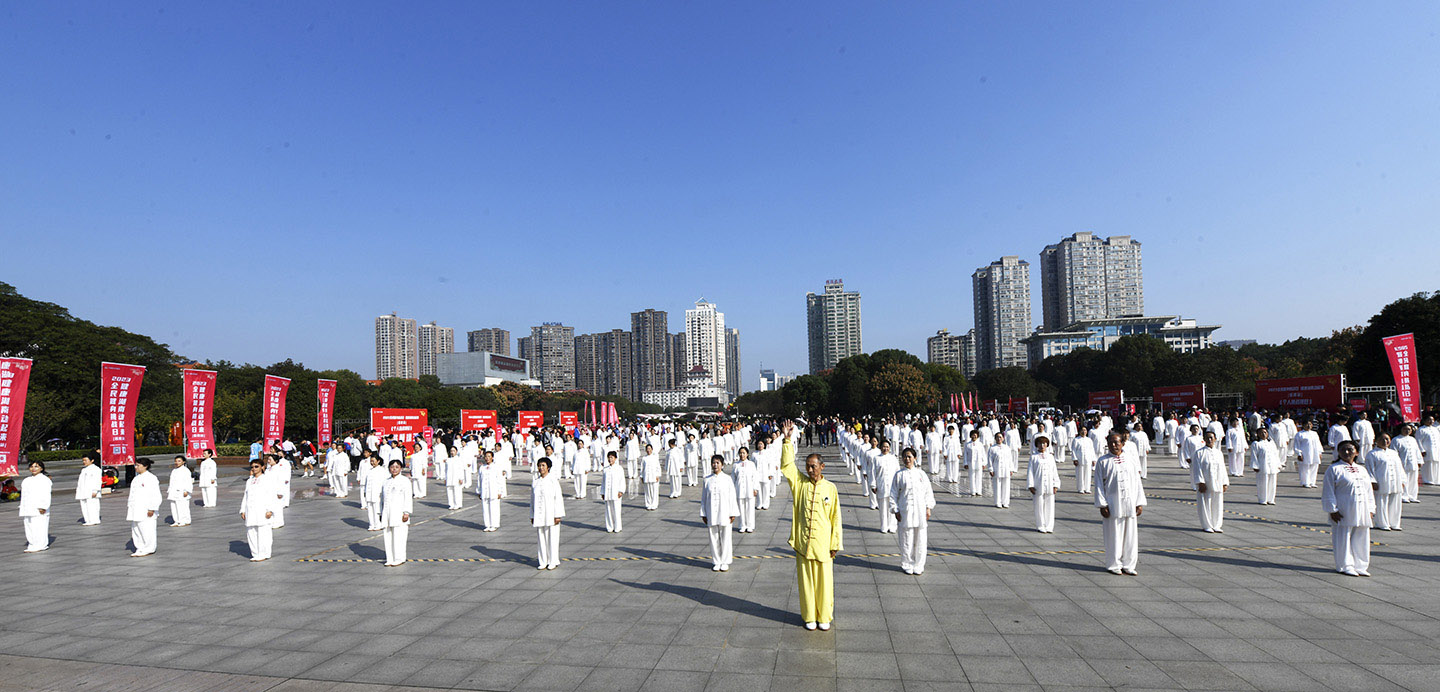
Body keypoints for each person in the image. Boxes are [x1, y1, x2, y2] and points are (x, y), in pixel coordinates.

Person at [778, 421, 843, 631]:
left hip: (824, 544)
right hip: (804, 543)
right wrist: (787, 440)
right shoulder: (800, 484)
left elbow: (836, 518)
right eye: (807, 466)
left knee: (824, 583)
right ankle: (809, 617)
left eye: (813, 466)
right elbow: (787, 467)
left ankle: (824, 616)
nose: (810, 469)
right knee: (806, 583)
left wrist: (835, 544)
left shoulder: (831, 488)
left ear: (822, 467)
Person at [1094, 433, 1145, 575]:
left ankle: (1129, 564)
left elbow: (1137, 481)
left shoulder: (1130, 459)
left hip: (1130, 502)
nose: (1114, 445)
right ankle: (1114, 564)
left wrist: (1139, 502)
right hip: (1112, 504)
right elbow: (1098, 484)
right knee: (1113, 535)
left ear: (1122, 443)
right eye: (1111, 442)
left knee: (1130, 536)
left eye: (1116, 442)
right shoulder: (1103, 461)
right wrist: (1102, 505)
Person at [1322, 440, 1375, 576]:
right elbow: (1328, 490)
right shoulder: (1334, 469)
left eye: (1350, 450)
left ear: (1356, 452)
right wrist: (1332, 509)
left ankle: (1361, 565)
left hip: (1362, 507)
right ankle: (1345, 565)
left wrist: (1371, 509)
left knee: (1361, 536)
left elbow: (1369, 491)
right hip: (1344, 508)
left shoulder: (1362, 470)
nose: (1347, 452)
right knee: (1343, 537)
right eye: (1343, 450)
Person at [890, 448, 935, 574]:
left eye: (909, 456)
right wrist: (895, 510)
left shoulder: (921, 474)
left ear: (915, 458)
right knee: (906, 538)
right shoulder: (899, 475)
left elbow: (928, 492)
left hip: (920, 511)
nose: (907, 459)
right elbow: (893, 494)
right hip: (905, 511)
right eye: (905, 457)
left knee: (920, 539)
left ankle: (919, 564)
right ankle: (907, 563)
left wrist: (928, 508)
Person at [701, 455, 738, 571]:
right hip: (711, 512)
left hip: (725, 512)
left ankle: (725, 561)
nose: (715, 465)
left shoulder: (727, 479)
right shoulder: (707, 480)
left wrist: (733, 513)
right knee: (713, 537)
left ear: (722, 464)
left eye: (717, 463)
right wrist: (704, 513)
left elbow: (732, 496)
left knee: (726, 537)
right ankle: (716, 561)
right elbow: (704, 498)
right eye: (713, 463)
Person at [1365, 433, 1405, 531]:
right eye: (1382, 439)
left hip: (1395, 481)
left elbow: (1400, 467)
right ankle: (1382, 523)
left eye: (1387, 439)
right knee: (1381, 501)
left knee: (1395, 501)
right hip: (1382, 480)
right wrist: (1372, 481)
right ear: (1376, 440)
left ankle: (1394, 523)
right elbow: (1370, 469)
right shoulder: (1372, 454)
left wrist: (1403, 480)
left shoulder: (1393, 453)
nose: (1385, 441)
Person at [530, 458, 565, 570]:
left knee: (552, 537)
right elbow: (532, 500)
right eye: (539, 465)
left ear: (548, 467)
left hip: (551, 513)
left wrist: (558, 514)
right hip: (539, 514)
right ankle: (543, 560)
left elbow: (558, 498)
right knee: (541, 537)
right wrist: (532, 515)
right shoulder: (535, 481)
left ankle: (553, 560)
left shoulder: (553, 480)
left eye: (543, 465)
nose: (541, 468)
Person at [239, 460, 276, 561]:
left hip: (263, 510)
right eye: (252, 467)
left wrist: (270, 510)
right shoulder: (249, 481)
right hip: (250, 510)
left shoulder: (267, 479)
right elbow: (245, 496)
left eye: (256, 466)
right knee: (251, 533)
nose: (254, 469)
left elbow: (272, 495)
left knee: (264, 533)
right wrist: (243, 510)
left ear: (262, 467)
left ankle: (264, 553)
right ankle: (255, 554)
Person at [1191, 431, 1227, 533]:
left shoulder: (1219, 453)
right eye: (1207, 438)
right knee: (1205, 502)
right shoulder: (1199, 453)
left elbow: (1223, 468)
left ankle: (1216, 524)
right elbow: (1197, 469)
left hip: (1218, 481)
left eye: (1211, 438)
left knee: (1217, 503)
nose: (1210, 440)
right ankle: (1206, 525)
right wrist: (1200, 482)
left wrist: (1225, 482)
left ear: (1215, 439)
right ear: (1204, 439)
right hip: (1206, 482)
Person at [380, 459, 414, 566]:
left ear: (401, 468)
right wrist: (381, 513)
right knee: (388, 535)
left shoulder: (404, 481)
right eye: (392, 467)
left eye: (397, 467)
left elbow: (408, 497)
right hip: (387, 512)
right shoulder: (386, 481)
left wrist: (406, 512)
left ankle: (399, 558)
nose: (394, 469)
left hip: (399, 512)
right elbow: (382, 499)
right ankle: (390, 558)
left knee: (399, 536)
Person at [127, 458, 162, 557]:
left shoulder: (151, 478)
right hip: (135, 508)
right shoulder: (136, 478)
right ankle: (140, 547)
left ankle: (149, 548)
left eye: (138, 465)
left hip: (146, 509)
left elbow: (156, 494)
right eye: (136, 465)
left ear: (145, 466)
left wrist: (152, 508)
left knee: (147, 529)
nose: (136, 467)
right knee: (136, 529)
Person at [1027, 437, 1061, 533]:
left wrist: (1056, 484)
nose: (1042, 446)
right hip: (1038, 484)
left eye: (1044, 443)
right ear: (1037, 445)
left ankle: (1049, 525)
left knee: (1050, 505)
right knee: (1039, 505)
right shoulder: (1034, 457)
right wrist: (1030, 485)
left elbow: (1054, 471)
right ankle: (1040, 525)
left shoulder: (1050, 457)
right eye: (1040, 444)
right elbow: (1030, 471)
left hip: (1049, 484)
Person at [19, 461, 52, 553]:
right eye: (32, 466)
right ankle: (32, 544)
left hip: (39, 508)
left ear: (41, 468)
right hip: (28, 507)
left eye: (36, 466)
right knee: (29, 527)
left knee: (39, 526)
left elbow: (46, 494)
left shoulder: (44, 480)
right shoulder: (26, 480)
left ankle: (41, 544)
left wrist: (43, 506)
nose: (33, 468)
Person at [1249, 427, 1283, 505]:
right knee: (1262, 483)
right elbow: (1254, 455)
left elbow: (1275, 454)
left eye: (1265, 432)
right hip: (1262, 466)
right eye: (1261, 433)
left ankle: (1271, 499)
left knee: (1272, 482)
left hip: (1272, 465)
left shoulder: (1271, 443)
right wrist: (1255, 466)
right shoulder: (1256, 444)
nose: (1263, 434)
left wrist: (1278, 464)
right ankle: (1262, 499)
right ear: (1258, 434)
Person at [872, 441, 900, 532]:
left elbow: (898, 472)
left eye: (887, 447)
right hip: (881, 485)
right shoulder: (876, 458)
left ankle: (892, 526)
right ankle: (884, 526)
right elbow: (872, 472)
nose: (885, 448)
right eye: (884, 447)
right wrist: (873, 484)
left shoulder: (893, 458)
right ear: (880, 447)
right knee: (883, 507)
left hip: (893, 487)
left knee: (892, 506)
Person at [1392, 424, 1423, 504]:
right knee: (1404, 480)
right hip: (1403, 463)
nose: (1407, 431)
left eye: (1409, 429)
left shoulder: (1413, 439)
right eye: (1405, 429)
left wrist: (1419, 461)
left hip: (1413, 463)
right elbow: (1394, 453)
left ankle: (1412, 496)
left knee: (1413, 480)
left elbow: (1417, 451)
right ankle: (1404, 496)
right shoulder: (1396, 440)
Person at [477, 452, 506, 531]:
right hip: (484, 490)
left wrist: (500, 491)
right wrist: (479, 491)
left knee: (494, 508)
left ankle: (494, 524)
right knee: (485, 508)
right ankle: (488, 525)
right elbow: (479, 480)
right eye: (486, 456)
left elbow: (499, 479)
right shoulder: (482, 467)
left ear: (492, 457)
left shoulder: (496, 467)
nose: (487, 458)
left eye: (489, 456)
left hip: (493, 490)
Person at [733, 447, 760, 533]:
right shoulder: (736, 465)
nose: (742, 455)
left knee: (750, 508)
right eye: (740, 453)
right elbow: (733, 478)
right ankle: (742, 525)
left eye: (744, 453)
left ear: (747, 454)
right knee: (741, 508)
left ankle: (750, 525)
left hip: (749, 489)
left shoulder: (751, 464)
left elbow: (755, 477)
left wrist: (755, 488)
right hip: (739, 489)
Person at [988, 432, 1016, 509]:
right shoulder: (992, 448)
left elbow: (1010, 459)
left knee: (1006, 486)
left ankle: (1005, 502)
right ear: (995, 438)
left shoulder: (1007, 448)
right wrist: (991, 469)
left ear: (1003, 438)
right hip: (996, 469)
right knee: (997, 486)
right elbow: (990, 460)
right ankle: (998, 502)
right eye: (997, 437)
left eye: (1000, 437)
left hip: (1006, 469)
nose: (999, 439)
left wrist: (1011, 469)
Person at [599, 450, 625, 533]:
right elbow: (603, 481)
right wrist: (602, 492)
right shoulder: (605, 469)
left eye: (612, 457)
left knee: (616, 510)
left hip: (616, 492)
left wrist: (621, 491)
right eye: (609, 458)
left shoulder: (619, 468)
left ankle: (617, 527)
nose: (610, 459)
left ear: (615, 458)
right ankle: (609, 527)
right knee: (608, 510)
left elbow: (622, 480)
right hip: (607, 492)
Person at [1294, 421, 1324, 488]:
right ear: (1303, 425)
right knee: (1305, 468)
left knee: (1314, 466)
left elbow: (1318, 443)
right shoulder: (1299, 434)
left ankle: (1312, 482)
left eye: (1310, 424)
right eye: (1307, 424)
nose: (1308, 426)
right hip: (1305, 453)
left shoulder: (1314, 433)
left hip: (1315, 453)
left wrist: (1320, 452)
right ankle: (1305, 482)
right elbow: (1297, 445)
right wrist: (1299, 453)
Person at [76, 452, 102, 525]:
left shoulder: (96, 469)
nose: (84, 462)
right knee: (84, 506)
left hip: (92, 491)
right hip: (83, 491)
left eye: (86, 460)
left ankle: (94, 520)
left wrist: (95, 490)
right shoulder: (84, 470)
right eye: (83, 460)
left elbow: (97, 480)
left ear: (92, 460)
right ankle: (88, 520)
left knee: (93, 506)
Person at [166, 456, 193, 527]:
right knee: (174, 506)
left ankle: (184, 520)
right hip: (173, 491)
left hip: (182, 491)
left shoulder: (185, 470)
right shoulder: (174, 471)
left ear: (183, 462)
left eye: (179, 461)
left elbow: (188, 481)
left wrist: (186, 490)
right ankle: (176, 520)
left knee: (182, 506)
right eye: (176, 461)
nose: (177, 463)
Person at [1071, 426, 1097, 494]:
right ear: (1079, 431)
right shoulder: (1076, 440)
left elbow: (1092, 450)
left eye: (1085, 430)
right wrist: (1075, 459)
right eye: (1082, 430)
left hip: (1088, 458)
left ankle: (1087, 488)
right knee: (1080, 474)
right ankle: (1081, 488)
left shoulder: (1089, 440)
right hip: (1079, 459)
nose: (1084, 432)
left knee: (1088, 474)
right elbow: (1073, 450)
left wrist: (1093, 459)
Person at [443, 446, 469, 510]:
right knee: (450, 491)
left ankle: (458, 504)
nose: (452, 452)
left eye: (453, 451)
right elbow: (445, 470)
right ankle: (451, 504)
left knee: (457, 491)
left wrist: (461, 478)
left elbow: (461, 469)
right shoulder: (448, 460)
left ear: (456, 452)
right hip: (449, 478)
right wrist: (445, 478)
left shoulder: (459, 460)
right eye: (451, 451)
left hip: (456, 478)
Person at [640, 443, 662, 510]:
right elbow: (642, 468)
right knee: (647, 492)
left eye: (649, 449)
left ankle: (654, 504)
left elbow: (658, 467)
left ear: (652, 449)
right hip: (646, 476)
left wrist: (658, 475)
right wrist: (641, 476)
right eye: (647, 449)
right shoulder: (644, 458)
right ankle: (648, 504)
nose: (648, 450)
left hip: (654, 476)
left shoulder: (655, 457)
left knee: (654, 491)